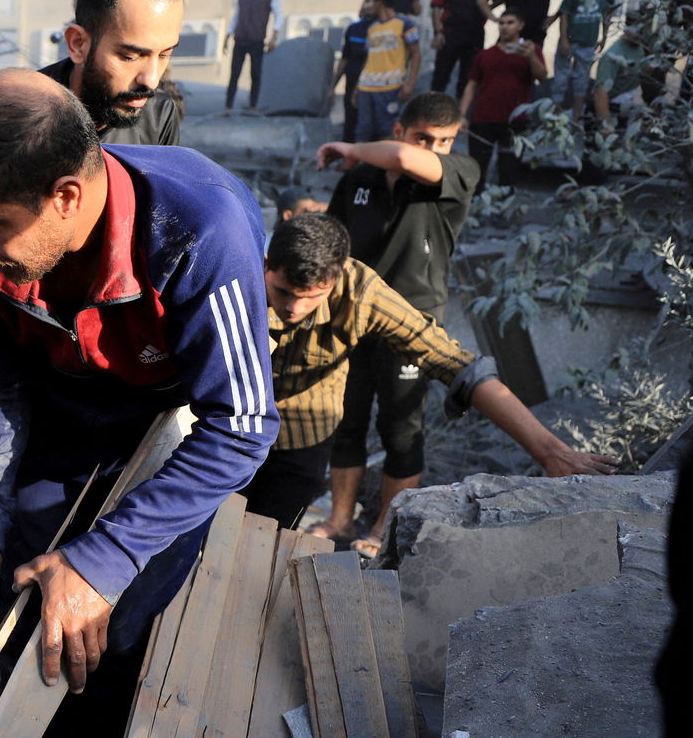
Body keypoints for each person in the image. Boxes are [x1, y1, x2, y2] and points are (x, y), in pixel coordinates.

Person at [0, 69, 274, 738]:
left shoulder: (199, 233)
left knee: (114, 640)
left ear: (65, 198)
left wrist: (107, 557)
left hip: (165, 432)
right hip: (58, 410)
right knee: (29, 620)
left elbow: (245, 425)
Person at [240, 214, 617, 528]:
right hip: (230, 427)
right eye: (283, 293)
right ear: (266, 264)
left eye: (311, 298)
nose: (294, 309)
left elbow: (453, 363)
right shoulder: (236, 272)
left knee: (266, 534)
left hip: (302, 439)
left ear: (336, 278)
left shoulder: (361, 292)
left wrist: (550, 451)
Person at [319, 93, 477, 553]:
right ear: (399, 131)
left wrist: (350, 147)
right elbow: (334, 243)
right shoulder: (360, 180)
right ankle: (340, 519)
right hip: (354, 316)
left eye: (443, 140)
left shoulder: (456, 174)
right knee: (345, 420)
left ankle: (381, 529)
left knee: (401, 428)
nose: (434, 148)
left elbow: (411, 161)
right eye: (423, 137)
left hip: (415, 322)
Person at [38, 0, 183, 145]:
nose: (151, 81)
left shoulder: (158, 115)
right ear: (78, 44)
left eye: (164, 55)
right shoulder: (21, 115)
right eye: (130, 56)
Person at [462, 6, 548, 191]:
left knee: (509, 172)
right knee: (476, 171)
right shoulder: (485, 54)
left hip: (515, 121)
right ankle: (475, 212)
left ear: (520, 26)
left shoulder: (531, 50)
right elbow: (471, 85)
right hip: (482, 120)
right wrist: (461, 116)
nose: (504, 27)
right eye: (501, 23)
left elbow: (542, 77)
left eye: (510, 22)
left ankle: (503, 214)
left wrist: (531, 56)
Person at [430, 0, 504, 96]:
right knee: (440, 76)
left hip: (475, 33)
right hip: (450, 34)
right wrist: (438, 32)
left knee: (469, 78)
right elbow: (436, 6)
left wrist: (488, 9)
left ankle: (461, 115)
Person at [354, 0, 421, 142]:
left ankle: (386, 165)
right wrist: (358, 87)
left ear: (380, 2)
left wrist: (409, 85)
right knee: (363, 129)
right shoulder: (372, 28)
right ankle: (361, 164)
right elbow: (369, 58)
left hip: (390, 87)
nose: (368, 6)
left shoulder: (405, 24)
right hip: (366, 87)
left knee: (387, 130)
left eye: (371, 1)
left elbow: (416, 54)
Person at [556, 0, 616, 119]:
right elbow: (565, 15)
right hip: (570, 40)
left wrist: (604, 36)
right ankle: (554, 120)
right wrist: (564, 40)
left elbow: (607, 13)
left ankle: (576, 118)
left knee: (581, 81)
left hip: (588, 42)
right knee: (560, 81)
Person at [223, 0, 283, 113]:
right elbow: (236, 16)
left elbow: (279, 16)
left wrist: (273, 38)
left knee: (255, 74)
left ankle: (253, 105)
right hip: (240, 39)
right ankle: (228, 106)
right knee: (234, 73)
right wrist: (228, 35)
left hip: (257, 41)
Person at [592, 12, 652, 128]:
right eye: (638, 33)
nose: (642, 36)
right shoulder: (613, 55)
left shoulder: (639, 46)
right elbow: (600, 94)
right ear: (627, 31)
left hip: (631, 101)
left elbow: (641, 71)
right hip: (614, 106)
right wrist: (607, 125)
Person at [328, 0, 374, 143]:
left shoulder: (381, 30)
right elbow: (345, 58)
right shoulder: (354, 29)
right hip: (352, 81)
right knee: (350, 122)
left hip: (373, 85)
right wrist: (332, 87)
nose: (368, 6)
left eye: (372, 2)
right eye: (366, 1)